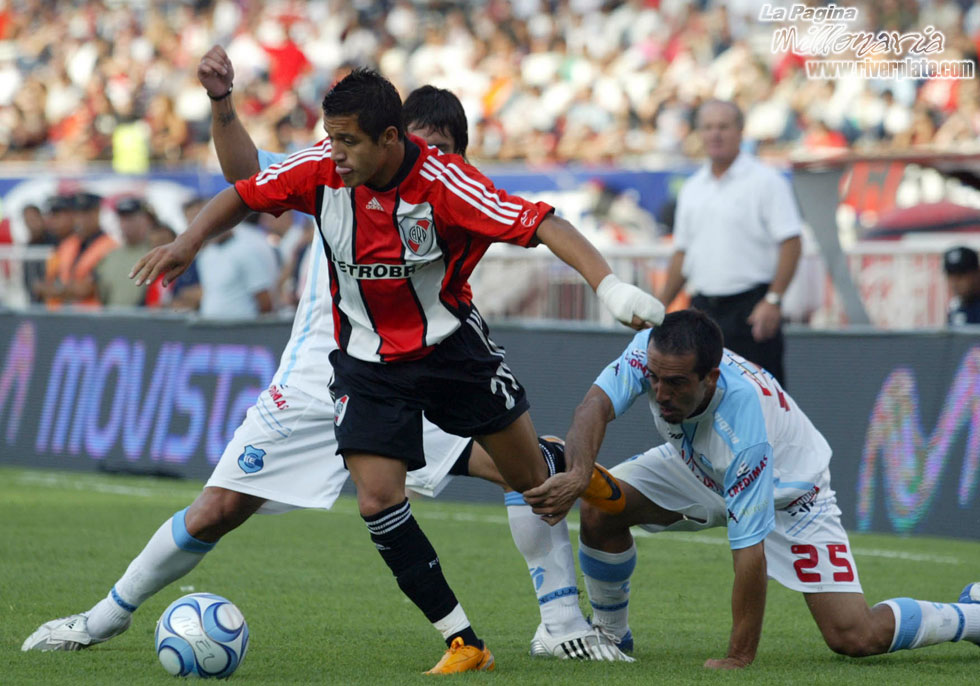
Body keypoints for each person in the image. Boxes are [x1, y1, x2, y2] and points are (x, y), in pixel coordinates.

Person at [22, 55, 650, 671]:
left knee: (528, 478)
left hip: (440, 360)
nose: (341, 152)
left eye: (441, 148)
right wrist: (198, 199)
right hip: (334, 372)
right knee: (227, 508)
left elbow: (542, 224)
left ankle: (567, 608)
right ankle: (105, 617)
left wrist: (609, 285)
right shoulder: (329, 166)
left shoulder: (449, 190)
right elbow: (246, 184)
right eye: (336, 141)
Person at [534, 309, 980, 669]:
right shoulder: (652, 352)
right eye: (653, 379)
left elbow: (750, 555)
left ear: (710, 378)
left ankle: (972, 616)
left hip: (791, 496)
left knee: (855, 636)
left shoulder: (744, 429)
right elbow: (593, 405)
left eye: (675, 384)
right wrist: (578, 474)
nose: (659, 392)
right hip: (694, 465)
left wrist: (739, 655)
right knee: (599, 506)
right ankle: (610, 635)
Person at [658, 100, 801, 386]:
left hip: (752, 311)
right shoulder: (693, 188)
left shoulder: (766, 181)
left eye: (723, 126)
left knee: (763, 404)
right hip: (703, 314)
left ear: (740, 131)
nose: (715, 134)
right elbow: (682, 254)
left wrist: (773, 300)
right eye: (708, 127)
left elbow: (791, 241)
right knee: (706, 402)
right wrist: (658, 306)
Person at [35, 192, 117, 308]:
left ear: (97, 212)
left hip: (91, 318)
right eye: (77, 213)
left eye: (86, 213)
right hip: (63, 315)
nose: (81, 218)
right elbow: (48, 280)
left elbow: (85, 290)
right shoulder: (68, 244)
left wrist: (55, 290)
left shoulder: (110, 246)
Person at [94, 197, 155, 307]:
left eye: (131, 218)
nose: (126, 224)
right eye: (122, 219)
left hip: (144, 320)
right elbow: (101, 294)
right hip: (112, 319)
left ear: (147, 220)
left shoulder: (156, 254)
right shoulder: (109, 256)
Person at [943, 245, 980, 325]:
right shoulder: (955, 307)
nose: (955, 282)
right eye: (951, 276)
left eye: (960, 275)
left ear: (977, 274)